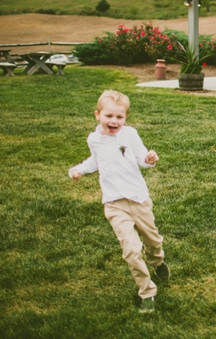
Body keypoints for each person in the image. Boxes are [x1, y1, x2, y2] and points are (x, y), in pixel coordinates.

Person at [69, 90, 169, 314]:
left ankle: (158, 262)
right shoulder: (93, 139)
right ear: (98, 115)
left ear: (125, 118)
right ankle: (147, 292)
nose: (113, 121)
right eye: (108, 116)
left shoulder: (130, 135)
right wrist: (78, 170)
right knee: (132, 250)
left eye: (119, 117)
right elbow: (96, 161)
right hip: (114, 204)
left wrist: (149, 159)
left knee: (152, 240)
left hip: (139, 200)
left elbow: (141, 158)